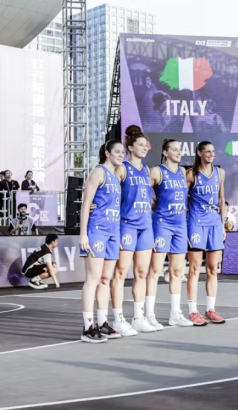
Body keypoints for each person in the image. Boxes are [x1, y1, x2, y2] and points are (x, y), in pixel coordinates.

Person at [111, 127, 156, 336]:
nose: (145, 148)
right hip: (127, 225)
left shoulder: (146, 170)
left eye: (146, 145)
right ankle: (118, 319)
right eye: (140, 145)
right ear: (130, 148)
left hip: (146, 225)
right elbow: (108, 191)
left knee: (141, 273)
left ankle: (138, 317)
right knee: (121, 273)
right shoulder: (122, 168)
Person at [78, 140, 124, 343]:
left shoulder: (116, 176)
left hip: (113, 231)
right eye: (117, 151)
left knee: (106, 279)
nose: (121, 155)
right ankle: (88, 327)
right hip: (97, 230)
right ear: (107, 153)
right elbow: (86, 203)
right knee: (93, 279)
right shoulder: (99, 172)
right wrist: (83, 234)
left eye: (123, 152)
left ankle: (102, 322)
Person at [148, 139, 196, 328]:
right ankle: (149, 315)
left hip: (180, 225)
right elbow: (141, 192)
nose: (178, 152)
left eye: (180, 149)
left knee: (177, 271)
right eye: (174, 149)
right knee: (155, 270)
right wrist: (153, 205)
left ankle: (175, 314)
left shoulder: (183, 172)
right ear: (165, 152)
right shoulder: (157, 171)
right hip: (162, 224)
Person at [186, 141, 226, 325]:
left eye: (213, 151)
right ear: (199, 153)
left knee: (212, 268)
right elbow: (181, 198)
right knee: (194, 268)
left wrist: (222, 225)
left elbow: (221, 199)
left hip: (214, 224)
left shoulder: (220, 173)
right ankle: (193, 311)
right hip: (196, 223)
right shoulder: (191, 174)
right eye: (207, 151)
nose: (211, 154)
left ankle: (211, 309)